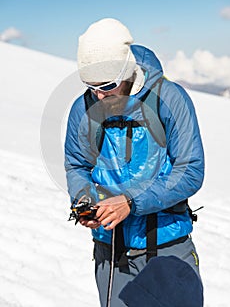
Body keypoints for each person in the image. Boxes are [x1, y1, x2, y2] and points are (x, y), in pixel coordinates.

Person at [64, 18, 204, 307]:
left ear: (127, 71)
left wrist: (131, 201)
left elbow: (190, 169)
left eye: (108, 85)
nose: (99, 95)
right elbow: (77, 165)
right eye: (91, 87)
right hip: (111, 251)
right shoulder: (84, 107)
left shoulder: (169, 98)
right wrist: (85, 201)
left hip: (167, 248)